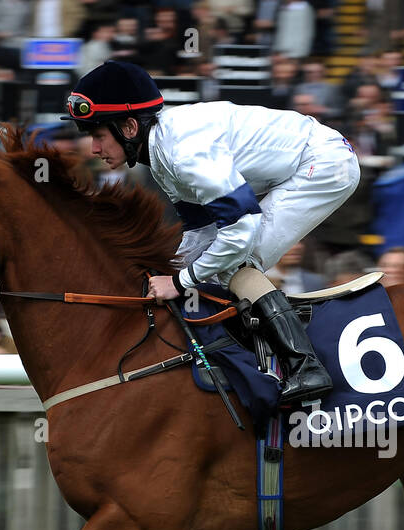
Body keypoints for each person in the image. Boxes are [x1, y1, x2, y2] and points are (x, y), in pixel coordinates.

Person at [63, 60, 360, 404]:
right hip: (299, 162)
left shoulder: (184, 153)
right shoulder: (159, 152)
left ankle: (306, 367)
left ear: (129, 127)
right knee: (218, 265)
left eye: (98, 135)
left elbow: (239, 229)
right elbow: (200, 232)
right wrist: (163, 276)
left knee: (239, 262)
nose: (94, 149)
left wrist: (178, 283)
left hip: (323, 164)